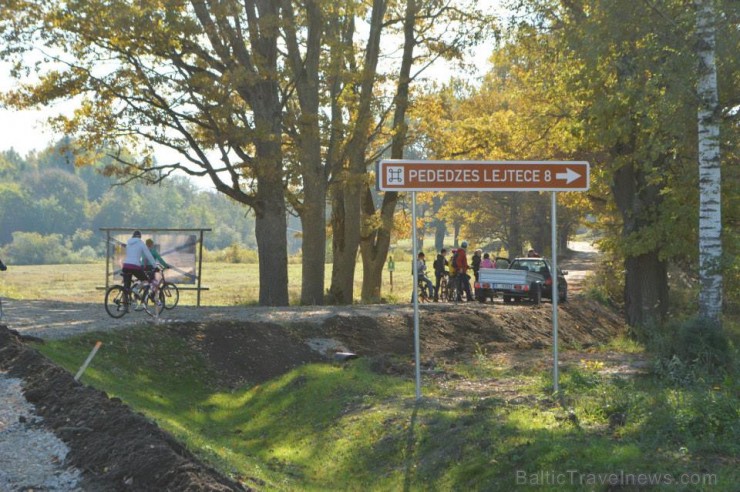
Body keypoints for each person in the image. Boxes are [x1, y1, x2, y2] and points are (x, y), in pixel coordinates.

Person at [122, 231, 160, 307]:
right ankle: (136, 289)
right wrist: (155, 266)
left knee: (126, 287)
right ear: (140, 237)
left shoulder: (128, 243)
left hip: (126, 266)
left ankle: (124, 307)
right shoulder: (141, 243)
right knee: (145, 280)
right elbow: (148, 255)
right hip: (135, 266)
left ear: (133, 236)